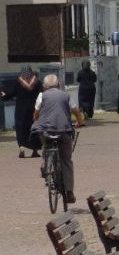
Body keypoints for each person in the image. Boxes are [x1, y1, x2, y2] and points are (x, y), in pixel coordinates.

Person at [32, 74, 84, 204]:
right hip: (63, 131)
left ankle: (45, 165)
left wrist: (37, 120)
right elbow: (76, 111)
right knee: (66, 159)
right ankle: (69, 192)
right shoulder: (66, 95)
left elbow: (36, 113)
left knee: (45, 146)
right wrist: (79, 122)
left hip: (46, 131)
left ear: (44, 86)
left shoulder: (41, 96)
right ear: (59, 85)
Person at [0, 66, 42, 158]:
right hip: (33, 110)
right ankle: (34, 150)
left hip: (21, 110)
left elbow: (10, 94)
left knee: (20, 129)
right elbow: (42, 94)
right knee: (33, 129)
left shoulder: (18, 82)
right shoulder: (37, 83)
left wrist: (3, 95)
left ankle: (22, 148)